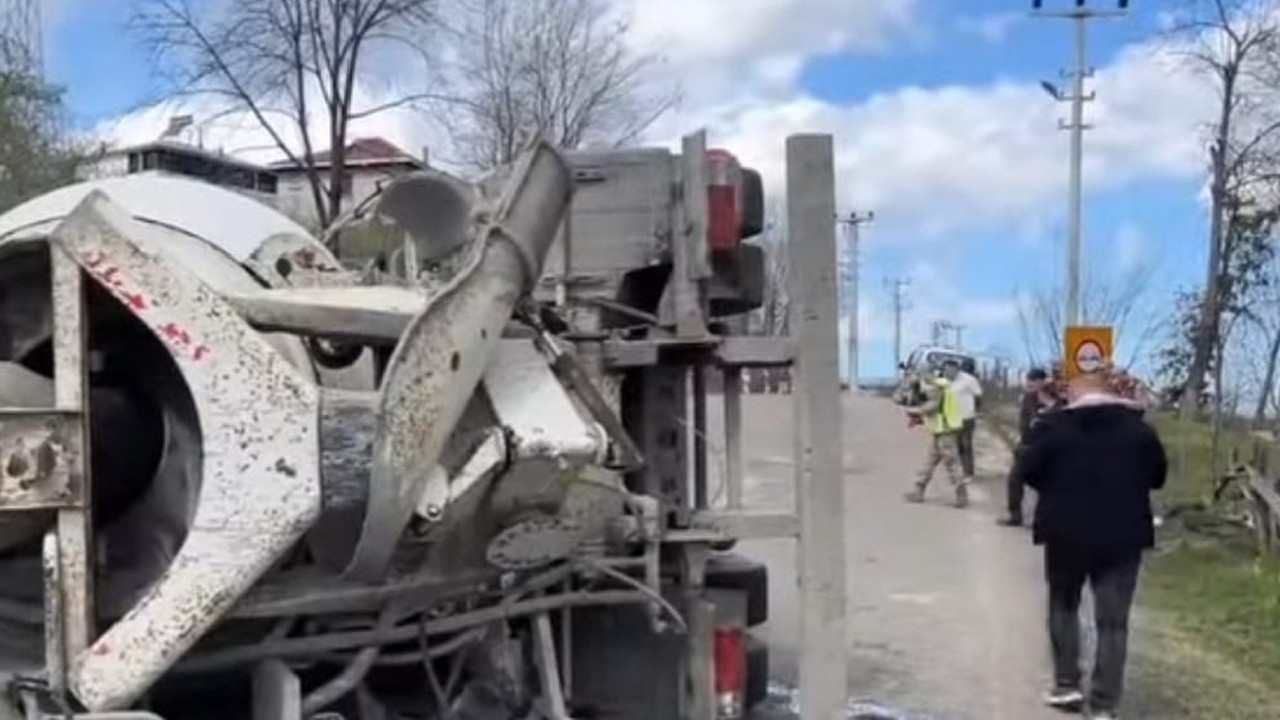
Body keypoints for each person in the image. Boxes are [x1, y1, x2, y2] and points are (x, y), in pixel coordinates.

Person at [1018, 370, 1166, 720]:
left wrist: (1058, 488)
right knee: (1113, 623)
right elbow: (1157, 477)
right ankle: (1103, 704)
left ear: (1074, 395)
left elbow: (1027, 469)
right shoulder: (1140, 431)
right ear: (1111, 394)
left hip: (1065, 534)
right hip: (1123, 537)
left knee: (1063, 608)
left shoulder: (1053, 427)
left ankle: (1067, 685)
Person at [903, 362, 969, 508]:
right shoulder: (938, 384)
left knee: (951, 462)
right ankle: (918, 490)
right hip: (941, 429)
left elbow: (933, 407)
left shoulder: (934, 386)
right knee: (930, 461)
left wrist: (916, 411)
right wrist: (918, 418)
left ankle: (961, 494)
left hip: (946, 430)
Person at [997, 367, 1050, 527]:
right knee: (1015, 479)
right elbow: (1024, 421)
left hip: (1044, 447)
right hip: (1026, 445)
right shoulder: (1027, 398)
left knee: (1044, 485)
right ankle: (1015, 515)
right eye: (1029, 380)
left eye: (1034, 380)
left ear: (1042, 381)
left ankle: (1042, 521)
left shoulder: (1049, 398)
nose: (1030, 383)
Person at [950, 361, 984, 484]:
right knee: (957, 445)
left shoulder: (969, 380)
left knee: (966, 444)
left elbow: (978, 395)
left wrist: (976, 411)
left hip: (967, 417)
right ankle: (960, 470)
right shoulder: (948, 380)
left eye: (951, 369)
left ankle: (969, 473)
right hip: (953, 417)